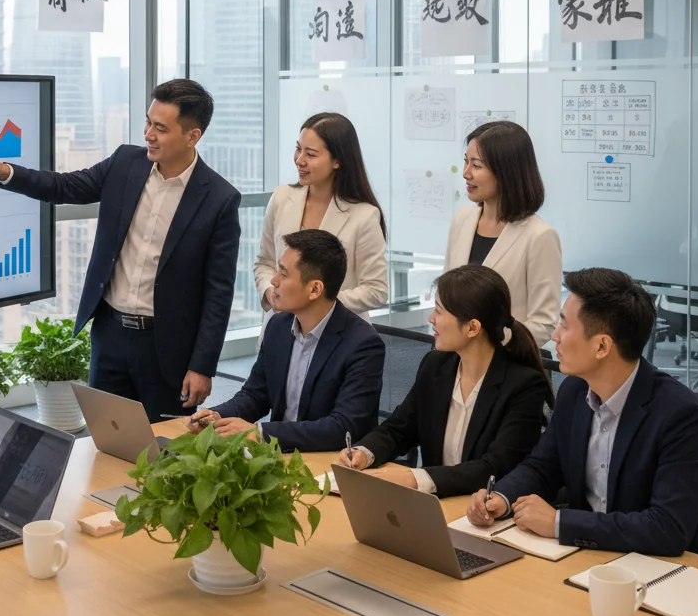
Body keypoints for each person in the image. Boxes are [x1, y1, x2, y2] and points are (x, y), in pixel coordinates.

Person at [0, 79, 240, 423]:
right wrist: (6, 171)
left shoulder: (219, 199)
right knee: (108, 439)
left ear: (192, 136)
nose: (148, 135)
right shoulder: (125, 163)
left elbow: (219, 292)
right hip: (110, 335)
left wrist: (202, 366)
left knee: (166, 446)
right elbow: (65, 186)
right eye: (148, 123)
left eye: (160, 128)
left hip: (167, 347)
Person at [467, 268, 698, 558]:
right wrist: (501, 498)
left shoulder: (679, 414)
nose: (555, 336)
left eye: (564, 325)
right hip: (589, 558)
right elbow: (543, 466)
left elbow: (667, 529)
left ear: (601, 346)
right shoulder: (574, 391)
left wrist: (559, 522)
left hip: (666, 570)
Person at [335, 265, 552, 497]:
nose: (431, 318)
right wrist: (364, 452)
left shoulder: (524, 386)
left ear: (472, 328)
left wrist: (415, 478)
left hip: (484, 508)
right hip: (435, 504)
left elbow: (494, 468)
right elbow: (399, 428)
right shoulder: (436, 365)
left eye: (439, 311)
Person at [186, 229, 385, 453]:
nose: (273, 281)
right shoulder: (278, 326)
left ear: (315, 289)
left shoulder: (363, 344)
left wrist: (260, 433)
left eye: (283, 274)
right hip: (279, 457)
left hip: (330, 460)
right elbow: (255, 395)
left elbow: (343, 427)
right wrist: (216, 416)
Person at [255, 113, 387, 336]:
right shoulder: (281, 198)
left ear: (337, 161)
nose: (300, 160)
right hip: (280, 330)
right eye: (298, 149)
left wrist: (315, 304)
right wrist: (271, 292)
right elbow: (265, 262)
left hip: (338, 336)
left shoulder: (364, 216)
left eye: (311, 154)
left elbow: (376, 290)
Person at [444, 121, 560, 349]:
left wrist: (489, 343)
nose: (466, 173)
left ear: (506, 171)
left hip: (507, 360)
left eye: (477, 165)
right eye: (466, 162)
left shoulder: (540, 236)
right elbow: (446, 295)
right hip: (458, 356)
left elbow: (543, 323)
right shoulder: (462, 220)